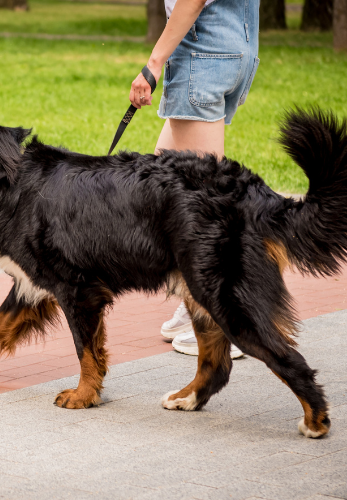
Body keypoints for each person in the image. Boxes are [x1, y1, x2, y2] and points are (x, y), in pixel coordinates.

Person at [129, 0, 260, 358]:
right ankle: (191, 299)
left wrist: (153, 63)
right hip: (233, 49)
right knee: (158, 190)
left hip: (203, 56)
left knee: (199, 211)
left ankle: (219, 321)